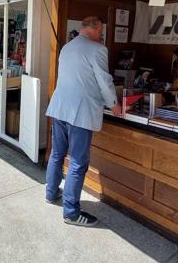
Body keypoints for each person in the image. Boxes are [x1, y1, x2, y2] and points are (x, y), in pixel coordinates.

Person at [45, 16, 121, 227]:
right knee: (78, 161)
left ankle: (51, 193)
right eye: (101, 32)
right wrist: (113, 103)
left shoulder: (67, 47)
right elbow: (104, 81)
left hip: (59, 108)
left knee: (57, 153)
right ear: (95, 28)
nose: (102, 36)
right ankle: (71, 212)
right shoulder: (97, 49)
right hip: (79, 113)